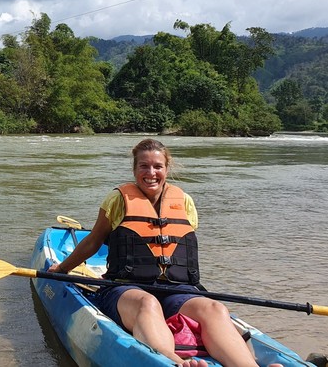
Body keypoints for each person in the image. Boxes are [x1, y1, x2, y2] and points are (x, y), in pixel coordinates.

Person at [48, 139, 282, 367]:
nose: (151, 172)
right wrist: (62, 269)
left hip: (176, 289)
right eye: (144, 166)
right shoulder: (118, 199)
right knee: (147, 303)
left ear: (166, 169)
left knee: (214, 309)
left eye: (157, 166)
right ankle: (175, 362)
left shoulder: (185, 202)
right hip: (125, 288)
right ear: (134, 169)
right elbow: (93, 241)